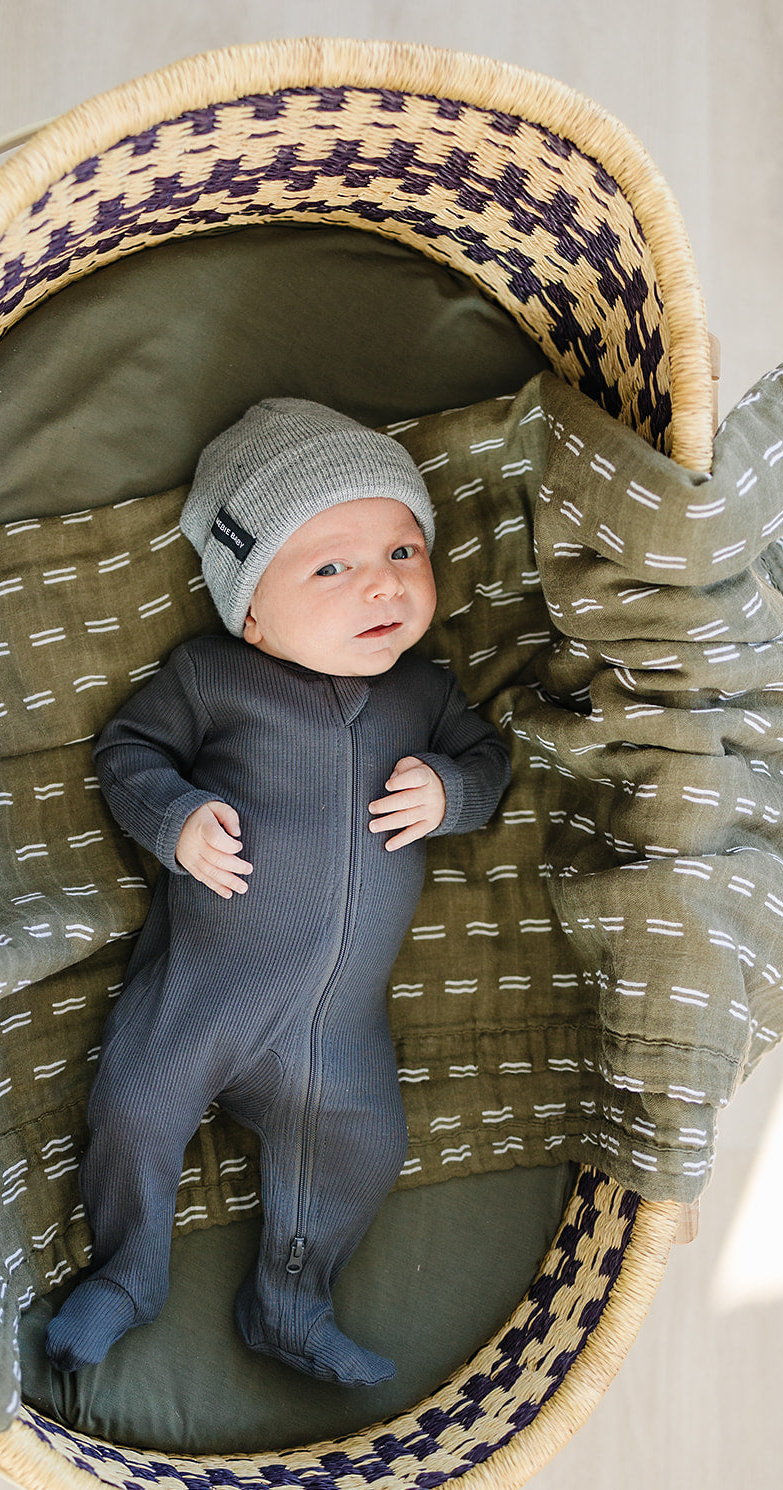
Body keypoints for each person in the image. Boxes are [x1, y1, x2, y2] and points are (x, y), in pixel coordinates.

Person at [45, 398, 511, 1386]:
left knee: (366, 1146)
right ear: (250, 609)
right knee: (134, 1111)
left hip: (339, 1027)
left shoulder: (424, 694)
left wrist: (451, 791)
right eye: (331, 568)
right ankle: (126, 1274)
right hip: (202, 995)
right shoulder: (213, 679)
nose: (382, 583)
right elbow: (127, 752)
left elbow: (490, 764)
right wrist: (177, 820)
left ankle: (290, 1305)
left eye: (404, 551)